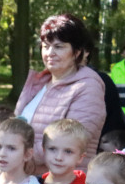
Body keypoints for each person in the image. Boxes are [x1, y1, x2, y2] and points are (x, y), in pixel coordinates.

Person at [14, 13, 107, 168]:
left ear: (77, 52)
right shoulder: (39, 82)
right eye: (46, 46)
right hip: (25, 178)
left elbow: (70, 141)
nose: (50, 53)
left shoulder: (88, 87)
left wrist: (17, 158)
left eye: (58, 47)